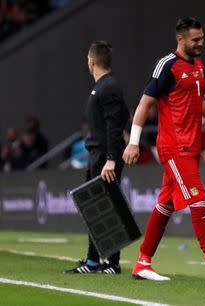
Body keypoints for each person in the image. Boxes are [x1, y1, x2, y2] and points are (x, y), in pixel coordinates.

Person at [122, 17, 205, 281]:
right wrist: (133, 142)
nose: (201, 43)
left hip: (191, 146)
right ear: (181, 39)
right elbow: (144, 104)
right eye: (195, 39)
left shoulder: (197, 65)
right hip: (174, 147)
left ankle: (143, 262)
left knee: (165, 204)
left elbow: (201, 98)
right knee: (198, 199)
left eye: (202, 38)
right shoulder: (166, 66)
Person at [65, 40, 129, 274]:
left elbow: (115, 125)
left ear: (91, 61)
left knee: (106, 208)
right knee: (95, 208)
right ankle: (93, 261)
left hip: (104, 157)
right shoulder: (103, 87)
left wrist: (111, 158)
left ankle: (112, 263)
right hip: (98, 154)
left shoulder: (108, 87)